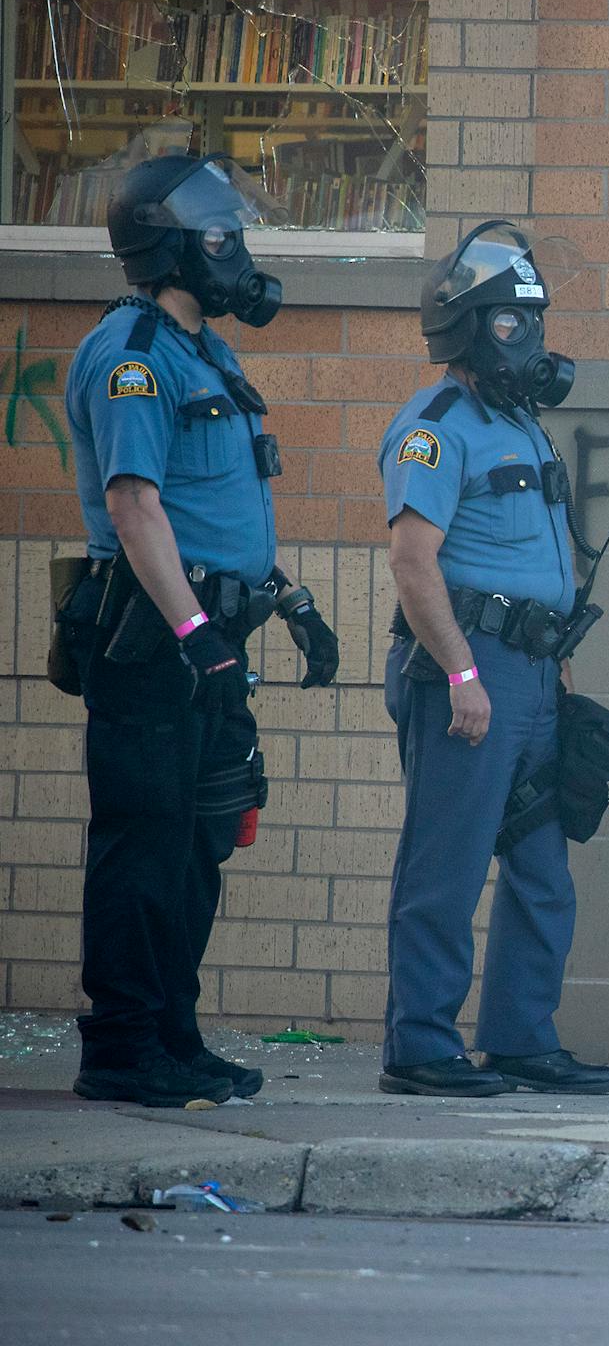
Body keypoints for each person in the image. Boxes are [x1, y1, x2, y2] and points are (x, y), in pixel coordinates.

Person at [56, 152, 341, 1108]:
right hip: (151, 641)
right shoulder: (130, 356)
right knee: (142, 844)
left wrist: (291, 601)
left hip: (211, 632)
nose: (237, 251)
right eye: (220, 235)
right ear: (170, 245)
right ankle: (123, 1046)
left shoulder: (204, 350)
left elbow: (222, 504)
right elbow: (135, 505)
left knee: (198, 841)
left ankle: (175, 1034)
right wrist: (193, 633)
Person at [374, 221, 609, 1098]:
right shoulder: (436, 427)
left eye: (532, 321)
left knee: (542, 869)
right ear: (471, 327)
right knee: (446, 864)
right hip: (464, 672)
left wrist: (553, 670)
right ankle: (421, 1046)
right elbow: (413, 561)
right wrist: (462, 674)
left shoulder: (520, 424)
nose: (528, 339)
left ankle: (521, 1036)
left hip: (533, 675)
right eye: (511, 323)